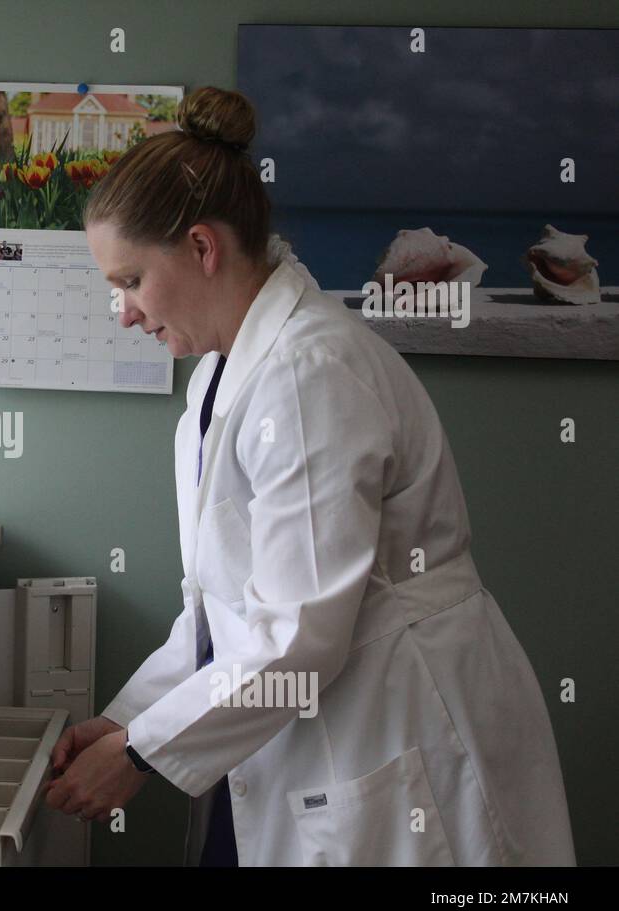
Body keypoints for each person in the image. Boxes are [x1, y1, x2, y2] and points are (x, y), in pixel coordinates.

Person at [44, 86, 575, 866]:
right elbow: (221, 609)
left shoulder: (308, 373)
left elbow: (296, 637)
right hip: (304, 727)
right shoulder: (221, 377)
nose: (121, 311)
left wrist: (141, 754)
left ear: (201, 248)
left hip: (397, 717)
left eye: (128, 280)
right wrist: (132, 721)